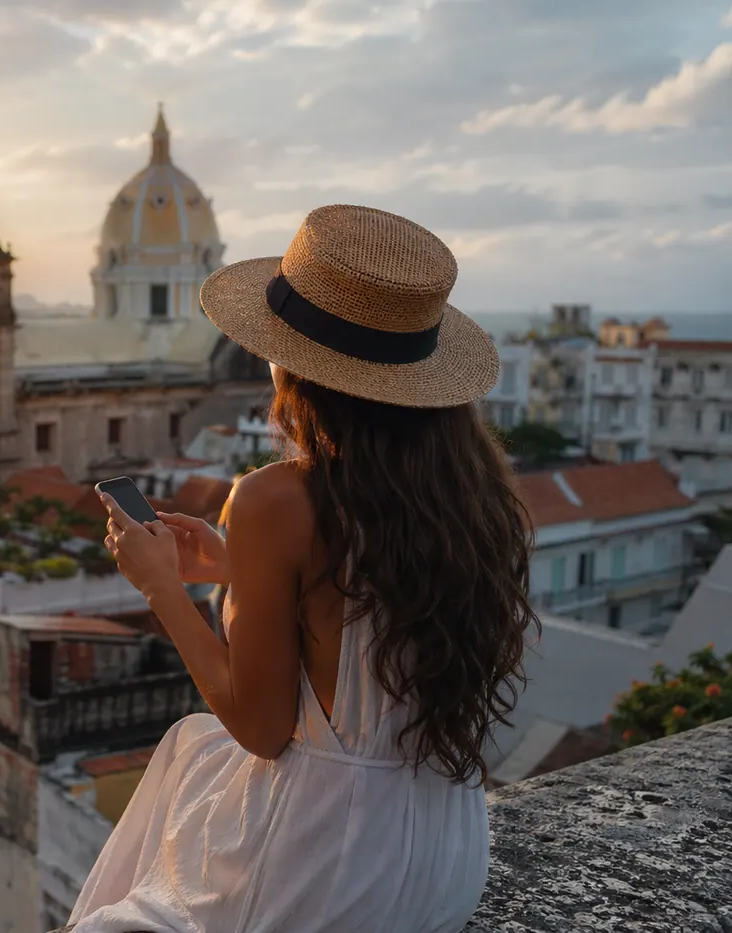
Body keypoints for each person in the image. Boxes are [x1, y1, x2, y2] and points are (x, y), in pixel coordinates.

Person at [71, 205, 538, 933]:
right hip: (444, 861)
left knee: (194, 750)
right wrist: (238, 571)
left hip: (330, 868)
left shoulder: (274, 498)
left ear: (293, 363)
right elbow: (359, 614)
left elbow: (261, 728)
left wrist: (163, 587)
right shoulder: (472, 494)